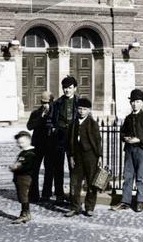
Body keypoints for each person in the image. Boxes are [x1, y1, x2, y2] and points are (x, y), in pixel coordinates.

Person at [111, 89, 143, 213]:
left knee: (140, 177)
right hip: (129, 150)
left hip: (141, 150)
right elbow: (122, 132)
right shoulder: (128, 118)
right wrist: (125, 138)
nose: (135, 104)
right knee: (128, 176)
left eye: (137, 101)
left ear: (142, 103)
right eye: (133, 102)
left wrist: (139, 140)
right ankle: (125, 201)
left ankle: (140, 201)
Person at [65, 97, 101, 217]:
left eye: (84, 109)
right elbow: (69, 141)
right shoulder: (73, 123)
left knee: (91, 182)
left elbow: (97, 141)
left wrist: (99, 156)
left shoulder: (92, 123)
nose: (81, 111)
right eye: (79, 108)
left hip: (90, 156)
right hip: (77, 156)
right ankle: (75, 207)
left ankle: (89, 207)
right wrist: (70, 156)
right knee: (75, 182)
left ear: (89, 110)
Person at [48, 76, 79, 206]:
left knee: (74, 168)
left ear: (75, 88)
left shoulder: (79, 102)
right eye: (65, 88)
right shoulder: (57, 103)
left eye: (70, 88)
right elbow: (50, 120)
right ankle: (59, 194)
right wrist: (53, 129)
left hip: (73, 138)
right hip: (59, 138)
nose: (67, 90)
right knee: (58, 167)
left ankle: (73, 195)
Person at [25, 91, 54, 204]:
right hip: (37, 145)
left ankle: (46, 194)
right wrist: (41, 117)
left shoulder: (54, 113)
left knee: (49, 170)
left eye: (47, 103)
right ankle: (34, 195)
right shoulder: (36, 113)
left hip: (50, 146)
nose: (44, 105)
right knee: (34, 170)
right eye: (42, 102)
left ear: (51, 102)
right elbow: (29, 126)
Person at [9, 131, 39, 224]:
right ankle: (25, 213)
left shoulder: (31, 153)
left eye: (22, 142)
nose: (19, 145)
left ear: (28, 141)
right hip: (19, 177)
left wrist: (17, 167)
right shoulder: (23, 153)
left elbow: (28, 167)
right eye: (18, 143)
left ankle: (25, 214)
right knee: (22, 196)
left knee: (23, 196)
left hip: (25, 178)